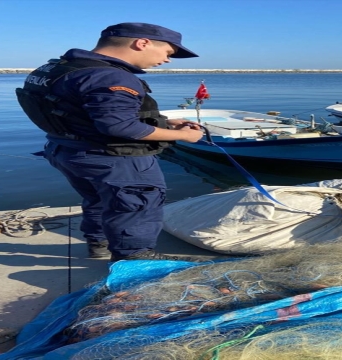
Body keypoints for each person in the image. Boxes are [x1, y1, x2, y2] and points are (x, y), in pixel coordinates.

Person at [16, 23, 208, 261]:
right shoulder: (110, 76)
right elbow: (118, 126)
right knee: (137, 206)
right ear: (142, 43)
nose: (168, 60)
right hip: (114, 158)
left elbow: (82, 110)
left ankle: (99, 245)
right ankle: (136, 259)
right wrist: (184, 135)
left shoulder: (56, 67)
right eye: (168, 53)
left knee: (98, 199)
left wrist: (165, 122)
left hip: (67, 151)